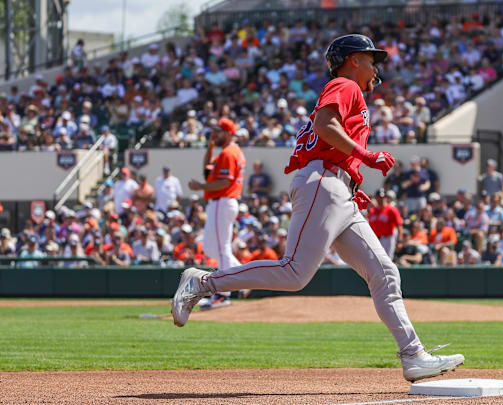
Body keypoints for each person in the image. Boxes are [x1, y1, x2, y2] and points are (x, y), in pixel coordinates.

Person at [170, 34, 464, 383]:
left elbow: (329, 132)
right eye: (371, 59)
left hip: (337, 188)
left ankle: (414, 356)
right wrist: (366, 158)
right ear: (353, 59)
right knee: (295, 273)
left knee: (384, 273)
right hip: (324, 180)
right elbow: (325, 126)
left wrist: (352, 179)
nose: (376, 66)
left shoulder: (350, 87)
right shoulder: (345, 83)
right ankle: (202, 282)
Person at [188, 117, 249, 308]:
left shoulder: (229, 153)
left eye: (219, 131)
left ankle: (223, 294)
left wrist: (201, 187)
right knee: (211, 249)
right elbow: (208, 170)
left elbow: (224, 182)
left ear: (229, 133)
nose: (215, 134)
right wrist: (211, 144)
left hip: (223, 201)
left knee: (222, 250)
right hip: (221, 203)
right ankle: (245, 278)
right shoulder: (225, 152)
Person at [367, 188, 403, 259]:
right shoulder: (372, 211)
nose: (381, 199)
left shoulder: (391, 209)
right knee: (374, 260)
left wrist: (400, 241)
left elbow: (399, 226)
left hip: (387, 239)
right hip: (375, 239)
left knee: (387, 260)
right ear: (376, 198)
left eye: (383, 197)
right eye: (379, 197)